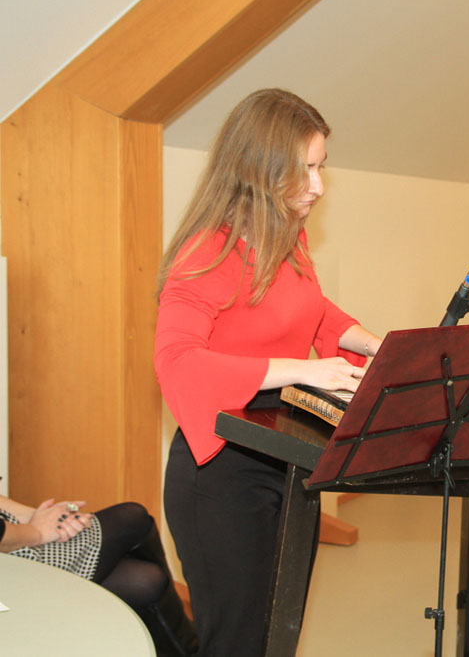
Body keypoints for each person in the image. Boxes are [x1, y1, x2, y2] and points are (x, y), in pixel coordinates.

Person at [154, 88, 383, 656]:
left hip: (288, 457)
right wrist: (303, 370)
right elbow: (177, 359)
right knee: (239, 644)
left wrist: (372, 344)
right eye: (305, 169)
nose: (318, 186)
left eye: (320, 167)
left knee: (279, 637)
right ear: (259, 167)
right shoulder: (206, 252)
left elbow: (311, 308)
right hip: (222, 472)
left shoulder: (287, 235)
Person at [1, 494, 198, 655]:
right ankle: (193, 648)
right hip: (10, 562)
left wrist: (36, 516)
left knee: (147, 580)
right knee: (133, 519)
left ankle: (192, 647)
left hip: (11, 531)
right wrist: (36, 531)